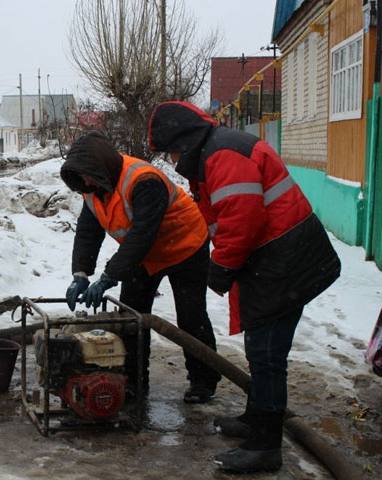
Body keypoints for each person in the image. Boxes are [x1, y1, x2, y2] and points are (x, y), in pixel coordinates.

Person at [148, 101, 341, 473]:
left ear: (185, 142)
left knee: (267, 355)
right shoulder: (216, 151)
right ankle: (257, 418)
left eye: (171, 150)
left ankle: (266, 445)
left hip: (285, 261)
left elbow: (242, 219)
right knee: (261, 348)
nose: (171, 159)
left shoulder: (223, 155)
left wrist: (220, 270)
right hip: (275, 259)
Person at [60, 131, 221, 404]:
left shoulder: (143, 180)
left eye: (87, 175)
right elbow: (88, 233)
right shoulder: (92, 189)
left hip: (184, 247)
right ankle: (134, 381)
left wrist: (108, 277)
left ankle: (203, 381)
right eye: (81, 178)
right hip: (143, 257)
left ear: (101, 168)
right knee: (132, 318)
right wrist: (81, 274)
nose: (84, 182)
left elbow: (141, 236)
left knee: (191, 317)